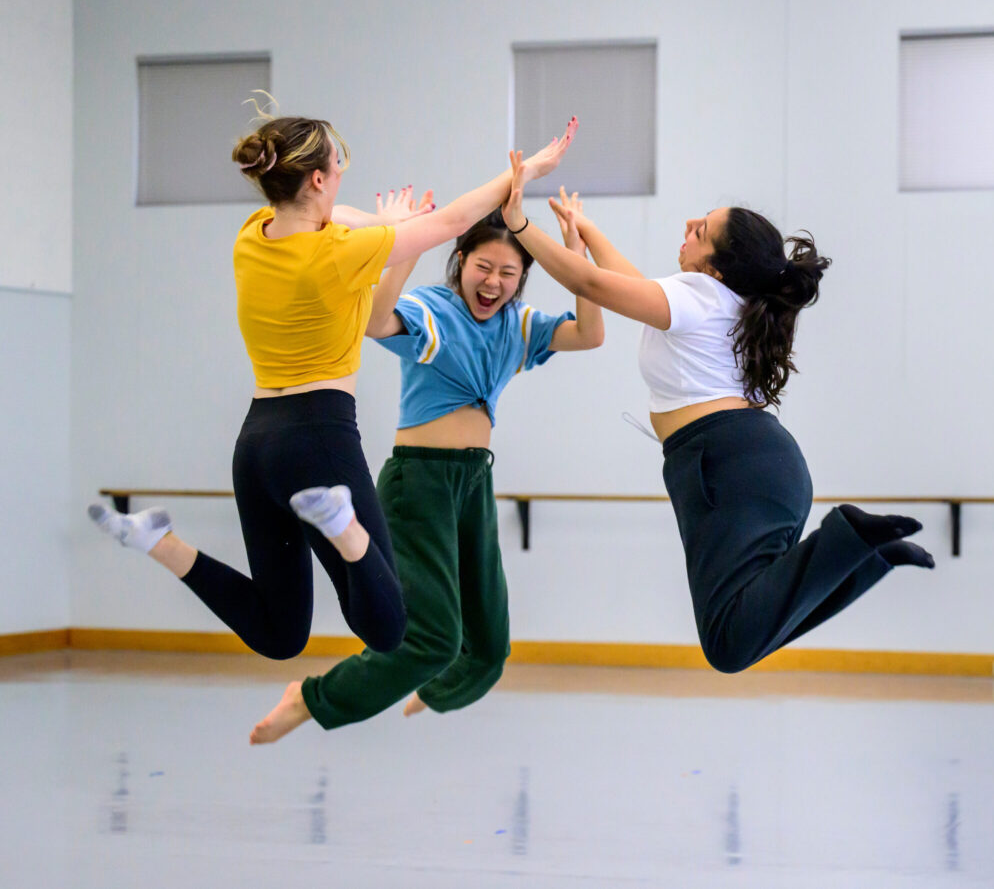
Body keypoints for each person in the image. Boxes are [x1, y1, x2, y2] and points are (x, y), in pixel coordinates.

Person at [87, 102, 578, 660]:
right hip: (318, 435)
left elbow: (339, 214)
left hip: (255, 446)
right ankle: (343, 525)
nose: (342, 174)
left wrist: (389, 224)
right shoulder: (341, 252)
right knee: (387, 627)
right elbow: (452, 221)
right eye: (337, 164)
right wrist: (524, 172)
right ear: (317, 178)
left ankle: (160, 543)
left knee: (279, 633)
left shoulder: (252, 237)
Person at [496, 151, 934, 674]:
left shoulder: (698, 296)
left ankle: (853, 542)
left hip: (724, 466)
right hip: (754, 466)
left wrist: (517, 224)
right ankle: (867, 557)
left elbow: (593, 286)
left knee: (730, 641)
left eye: (700, 230)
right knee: (747, 627)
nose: (687, 225)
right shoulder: (719, 303)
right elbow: (628, 283)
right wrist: (586, 231)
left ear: (714, 266)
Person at [250, 196, 602, 743]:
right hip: (419, 485)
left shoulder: (518, 325)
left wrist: (576, 251)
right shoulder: (433, 309)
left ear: (522, 279)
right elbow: (372, 321)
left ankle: (427, 690)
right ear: (460, 260)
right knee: (434, 640)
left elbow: (590, 333)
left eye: (509, 273)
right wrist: (405, 242)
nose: (493, 283)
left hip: (473, 483)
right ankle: (312, 698)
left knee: (488, 652)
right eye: (483, 267)